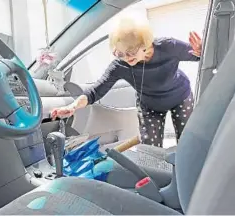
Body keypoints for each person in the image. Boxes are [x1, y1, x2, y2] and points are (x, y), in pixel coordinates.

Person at [51, 16, 202, 147]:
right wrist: (73, 106)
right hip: (150, 105)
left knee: (187, 143)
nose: (126, 57)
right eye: (120, 53)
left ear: (145, 43)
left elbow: (200, 57)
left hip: (180, 97)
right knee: (151, 151)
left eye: (131, 51)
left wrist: (201, 50)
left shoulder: (169, 46)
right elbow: (95, 91)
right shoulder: (120, 66)